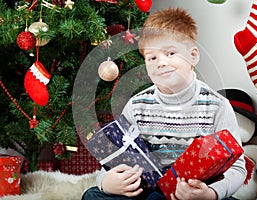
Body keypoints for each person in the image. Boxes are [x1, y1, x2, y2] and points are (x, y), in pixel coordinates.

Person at [82, 7, 246, 200]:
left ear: (193, 56)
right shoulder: (137, 105)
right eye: (152, 57)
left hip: (193, 193)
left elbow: (237, 168)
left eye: (170, 53)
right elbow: (114, 159)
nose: (160, 62)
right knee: (93, 195)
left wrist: (211, 193)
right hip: (146, 190)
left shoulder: (217, 106)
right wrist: (105, 181)